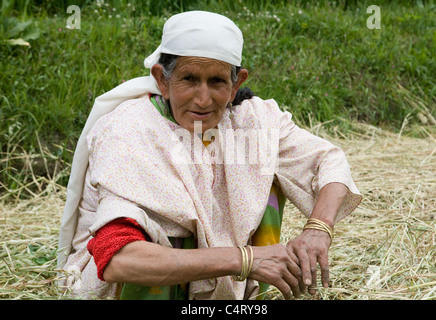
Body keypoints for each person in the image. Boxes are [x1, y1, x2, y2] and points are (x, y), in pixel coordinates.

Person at [58, 10, 361, 300]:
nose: (203, 99)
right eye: (188, 79)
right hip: (130, 291)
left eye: (217, 81)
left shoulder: (255, 120)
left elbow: (328, 161)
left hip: (233, 281)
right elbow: (117, 260)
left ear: (236, 84)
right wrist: (244, 259)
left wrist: (318, 230)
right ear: (162, 80)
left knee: (263, 173)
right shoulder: (128, 129)